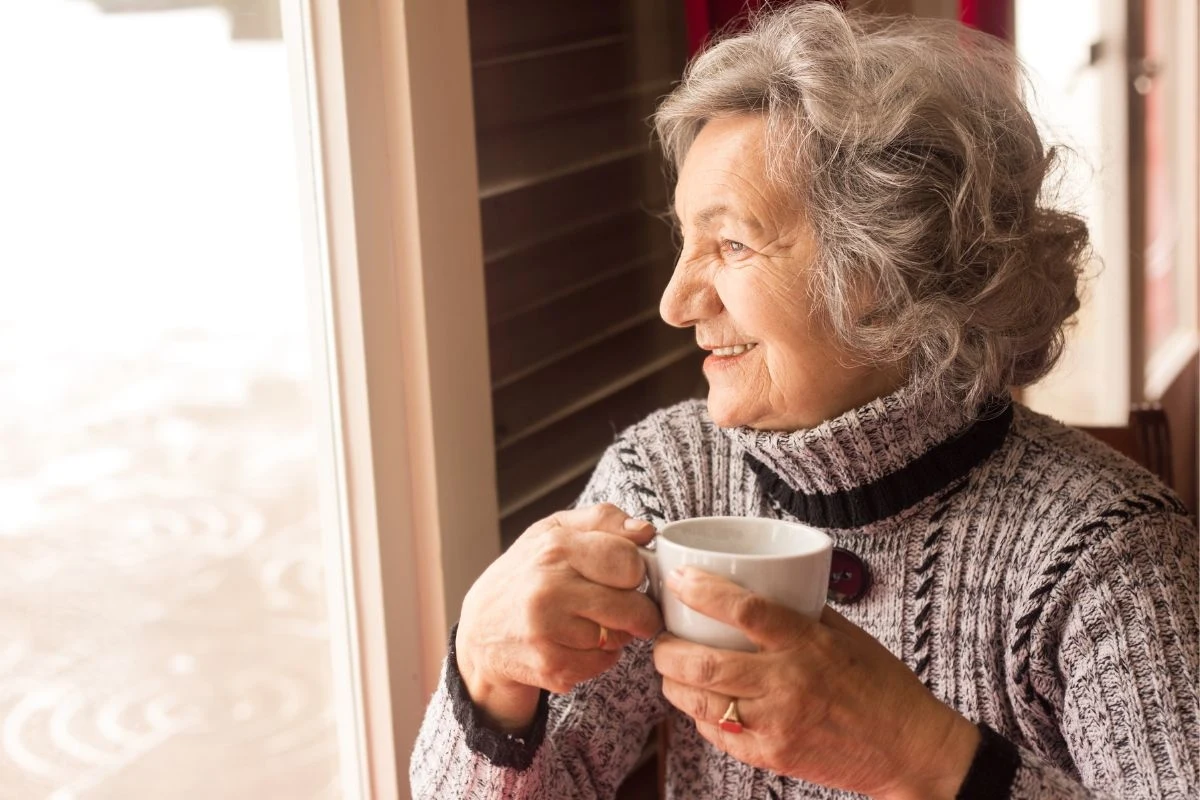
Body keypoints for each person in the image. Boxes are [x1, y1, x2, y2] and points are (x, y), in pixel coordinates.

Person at [411, 4, 1198, 798]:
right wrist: (487, 677)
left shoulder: (1103, 552)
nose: (675, 303)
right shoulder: (668, 480)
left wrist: (923, 754)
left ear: (889, 269)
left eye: (732, 245)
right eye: (685, 242)